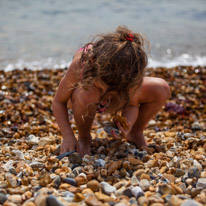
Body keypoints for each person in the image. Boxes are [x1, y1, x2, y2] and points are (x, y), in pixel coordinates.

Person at [52, 26, 170, 157]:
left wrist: (127, 124)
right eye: (102, 87)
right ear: (92, 63)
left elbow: (132, 105)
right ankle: (84, 137)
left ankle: (135, 133)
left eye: (113, 92)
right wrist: (68, 136)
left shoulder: (128, 73)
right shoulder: (82, 64)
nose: (106, 94)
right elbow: (58, 102)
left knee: (161, 88)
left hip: (118, 100)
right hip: (83, 100)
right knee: (86, 93)